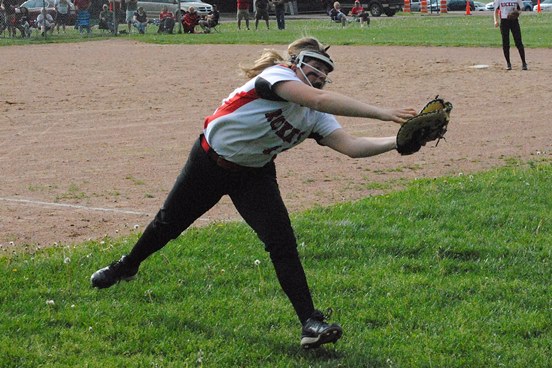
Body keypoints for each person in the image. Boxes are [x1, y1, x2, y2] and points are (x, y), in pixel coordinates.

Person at [90, 36, 416, 349]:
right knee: (168, 225)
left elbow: (350, 146)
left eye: (324, 75)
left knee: (282, 242)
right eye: (314, 69)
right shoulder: (276, 76)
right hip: (209, 161)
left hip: (254, 173)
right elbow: (315, 99)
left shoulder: (315, 114)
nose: (318, 77)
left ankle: (310, 323)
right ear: (295, 64)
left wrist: (397, 142)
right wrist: (384, 113)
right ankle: (128, 265)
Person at [493, 0, 527, 70]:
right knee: (505, 43)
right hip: (504, 21)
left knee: (518, 42)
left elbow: (521, 8)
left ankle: (524, 63)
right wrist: (496, 20)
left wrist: (517, 13)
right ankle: (508, 63)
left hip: (514, 21)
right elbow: (495, 11)